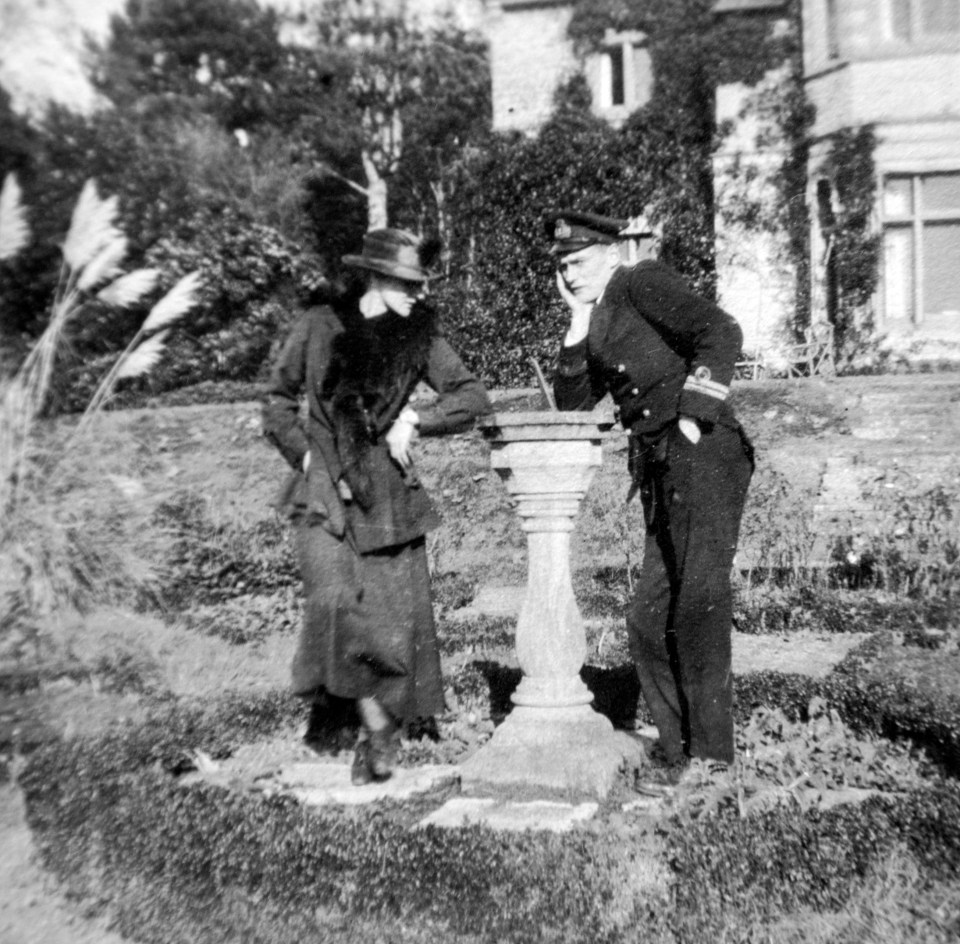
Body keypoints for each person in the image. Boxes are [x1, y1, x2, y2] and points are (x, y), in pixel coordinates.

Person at [262, 228, 491, 784]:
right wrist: (305, 456)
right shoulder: (318, 324)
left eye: (421, 283)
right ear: (374, 277)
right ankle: (377, 725)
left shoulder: (419, 335)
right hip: (320, 492)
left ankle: (380, 732)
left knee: (393, 621)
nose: (418, 293)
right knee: (334, 603)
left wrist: (417, 419)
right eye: (406, 283)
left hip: (387, 495)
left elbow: (472, 395)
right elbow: (276, 400)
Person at [546, 209, 754, 781]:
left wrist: (695, 413)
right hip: (659, 464)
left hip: (701, 450)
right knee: (646, 616)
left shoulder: (641, 281)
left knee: (697, 601)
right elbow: (571, 404)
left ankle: (712, 759)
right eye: (562, 267)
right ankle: (677, 749)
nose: (569, 274)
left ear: (612, 253)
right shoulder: (597, 312)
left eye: (579, 262)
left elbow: (721, 330)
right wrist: (574, 319)